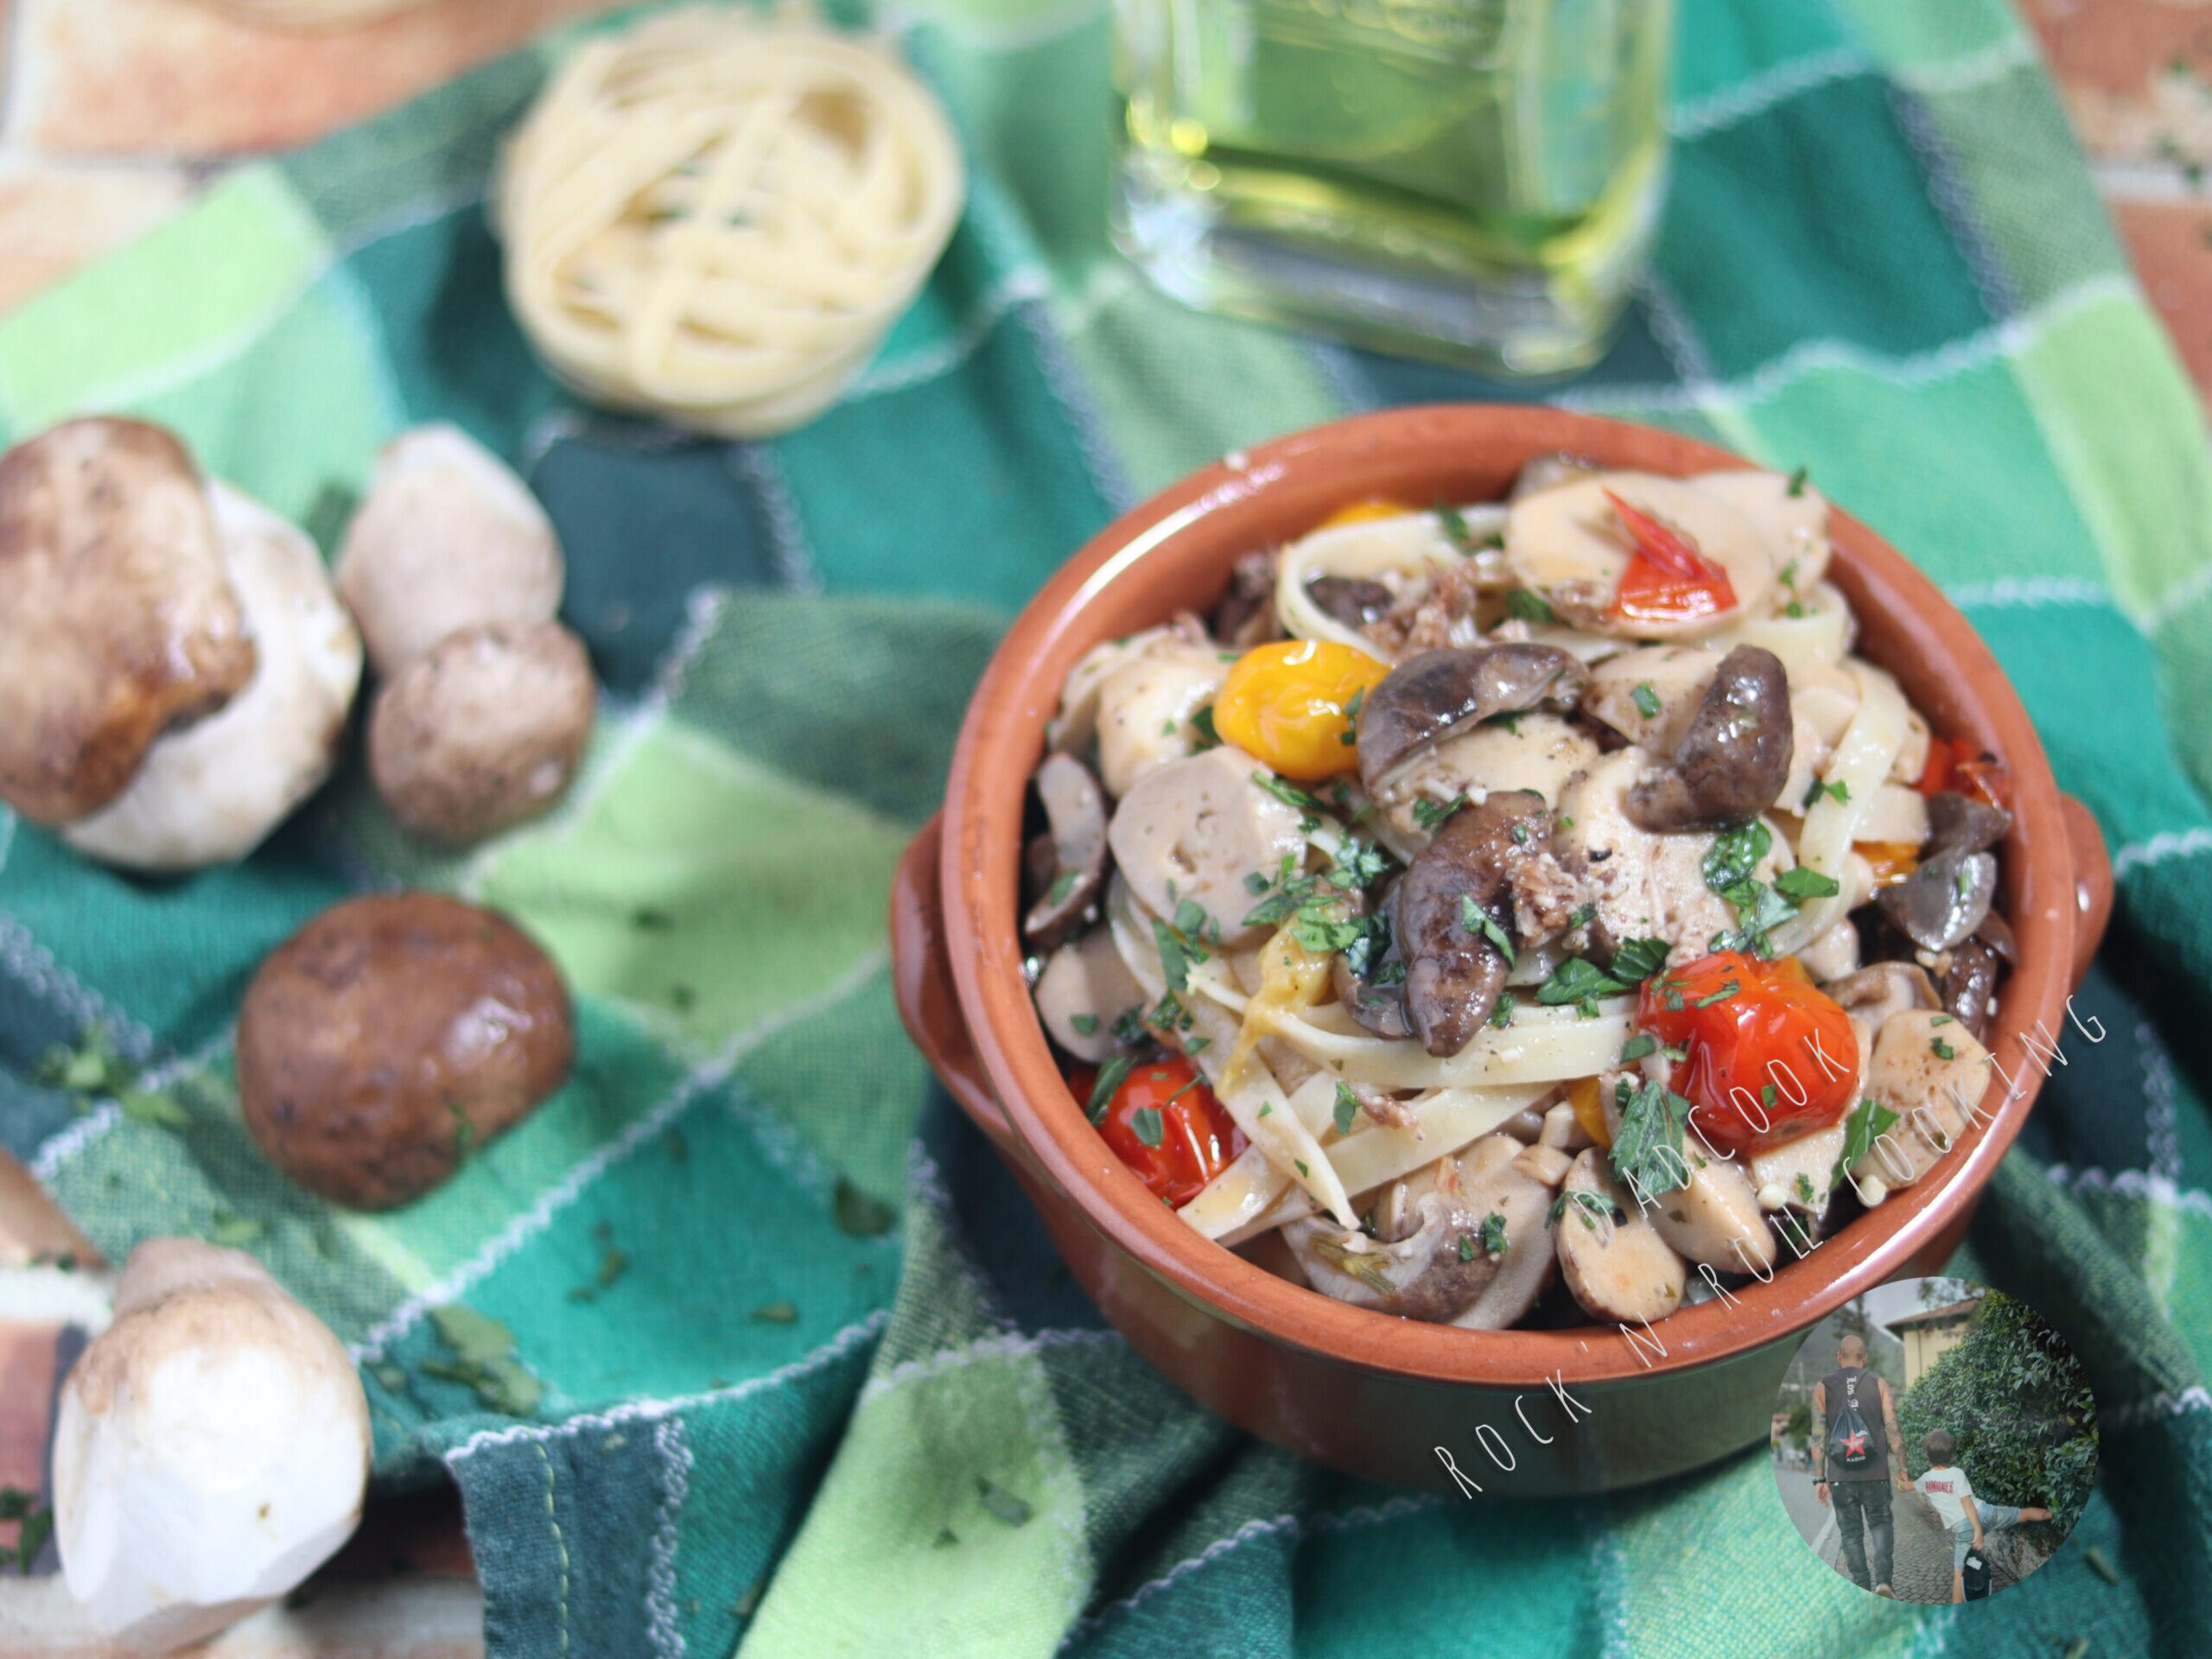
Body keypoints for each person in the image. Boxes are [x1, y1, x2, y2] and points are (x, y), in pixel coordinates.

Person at [1811, 1334, 1911, 1595]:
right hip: (1876, 1474)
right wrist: (1903, 1470)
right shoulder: (1878, 1384)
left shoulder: (1822, 1387)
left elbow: (1817, 1437)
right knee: (1880, 1524)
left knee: (1851, 1534)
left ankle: (1862, 1587)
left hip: (1840, 1478)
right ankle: (1883, 1581)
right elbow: (1893, 1429)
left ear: (1839, 1357)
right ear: (1864, 1358)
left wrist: (1819, 1479)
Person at [1915, 1429, 2053, 1604]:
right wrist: (1979, 1527)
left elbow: (1965, 1504)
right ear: (1951, 1454)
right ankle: (2056, 1514)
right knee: (2022, 1514)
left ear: (1927, 1454)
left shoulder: (1925, 1480)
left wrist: (1978, 1531)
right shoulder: (1957, 1473)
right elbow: (1968, 1502)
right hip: (1985, 1512)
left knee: (1959, 1572)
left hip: (1966, 1526)